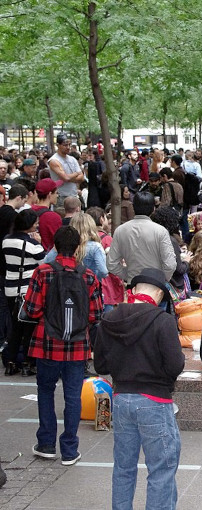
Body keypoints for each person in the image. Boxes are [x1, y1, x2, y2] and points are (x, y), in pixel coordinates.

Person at [94, 268, 185, 509]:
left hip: (122, 399)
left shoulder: (110, 319)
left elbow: (100, 364)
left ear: (133, 290)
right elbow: (175, 364)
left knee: (123, 468)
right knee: (161, 470)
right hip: (155, 401)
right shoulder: (162, 320)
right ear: (158, 295)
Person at [26, 226, 103, 466]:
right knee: (73, 395)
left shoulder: (43, 272)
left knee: (45, 391)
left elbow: (32, 309)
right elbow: (96, 314)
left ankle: (46, 443)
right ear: (79, 247)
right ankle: (70, 449)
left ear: (55, 247)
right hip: (78, 344)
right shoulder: (88, 276)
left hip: (47, 342)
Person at [2, 210, 46, 376]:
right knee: (28, 328)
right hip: (27, 290)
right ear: (29, 225)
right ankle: (27, 364)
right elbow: (44, 261)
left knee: (15, 328)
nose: (37, 226)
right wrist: (40, 243)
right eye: (35, 223)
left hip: (10, 289)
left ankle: (11, 363)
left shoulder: (6, 240)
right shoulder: (32, 244)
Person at [107, 191, 176, 283]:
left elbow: (111, 264)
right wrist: (162, 278)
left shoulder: (120, 230)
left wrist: (129, 276)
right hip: (155, 284)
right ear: (153, 209)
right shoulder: (161, 231)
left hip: (133, 284)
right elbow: (170, 265)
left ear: (133, 207)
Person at [48, 134, 84, 205]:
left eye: (69, 145)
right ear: (58, 145)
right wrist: (77, 173)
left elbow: (82, 178)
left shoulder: (72, 159)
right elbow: (66, 177)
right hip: (61, 196)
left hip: (74, 195)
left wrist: (68, 178)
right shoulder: (54, 160)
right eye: (65, 145)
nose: (68, 147)